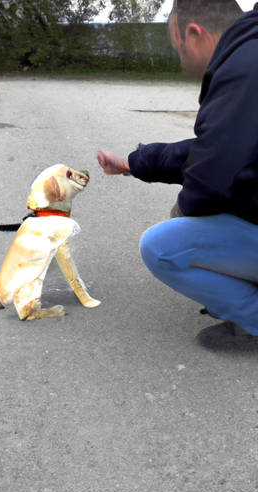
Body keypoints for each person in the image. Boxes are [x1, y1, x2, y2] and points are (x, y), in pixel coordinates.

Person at [97, 0, 258, 338]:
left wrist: (187, 214)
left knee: (163, 245)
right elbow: (218, 146)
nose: (179, 56)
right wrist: (136, 162)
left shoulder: (246, 65)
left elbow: (212, 174)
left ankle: (252, 314)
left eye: (177, 46)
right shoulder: (249, 51)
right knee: (191, 216)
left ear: (193, 35)